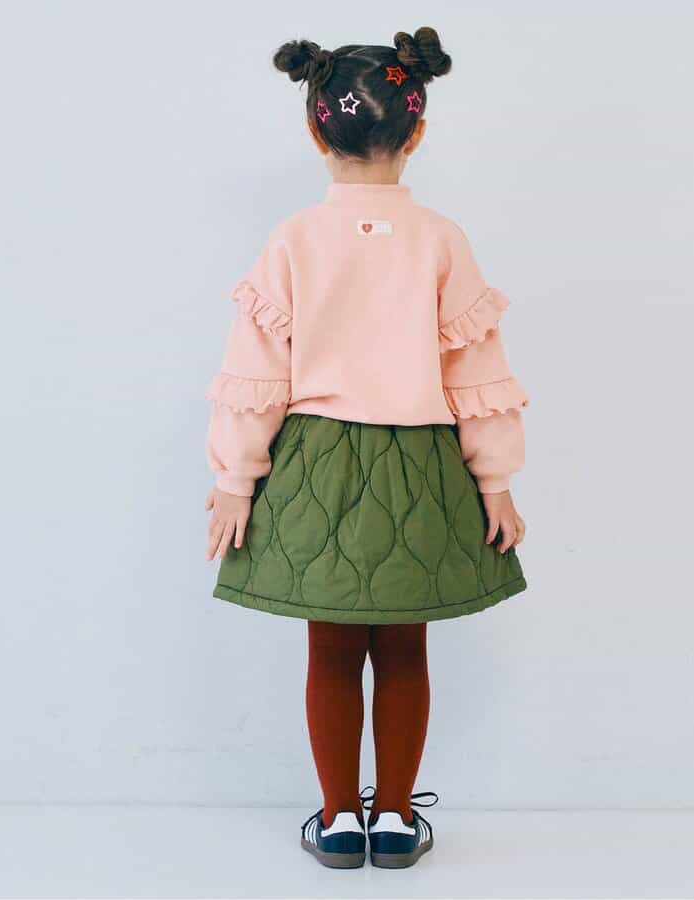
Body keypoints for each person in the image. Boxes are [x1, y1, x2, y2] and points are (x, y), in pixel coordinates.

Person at [205, 26, 528, 869]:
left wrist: (236, 478)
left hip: (315, 465)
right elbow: (476, 367)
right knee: (406, 652)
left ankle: (339, 820)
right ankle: (394, 820)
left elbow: (256, 369)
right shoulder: (441, 238)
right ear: (417, 131)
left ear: (315, 131)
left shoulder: (292, 239)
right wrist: (495, 479)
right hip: (421, 467)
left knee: (331, 652)